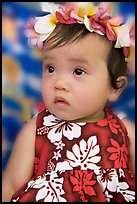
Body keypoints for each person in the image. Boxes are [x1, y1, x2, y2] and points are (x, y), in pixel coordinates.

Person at [2, 2, 135, 202]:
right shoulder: (37, 128)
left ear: (115, 88)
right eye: (50, 69)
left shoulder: (124, 130)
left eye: (78, 71)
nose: (59, 83)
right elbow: (11, 184)